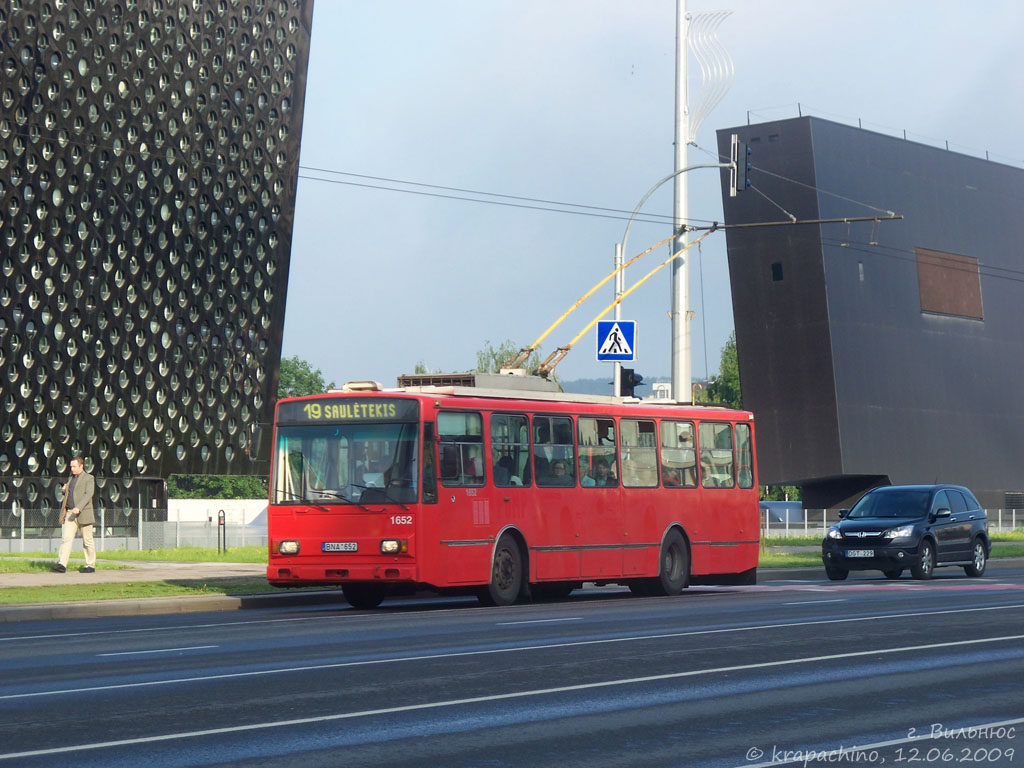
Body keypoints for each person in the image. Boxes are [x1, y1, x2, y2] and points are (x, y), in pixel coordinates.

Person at [52, 455, 97, 573]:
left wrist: (79, 507)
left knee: (87, 540)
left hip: (83, 513)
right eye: (71, 466)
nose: (72, 469)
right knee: (66, 538)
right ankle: (62, 564)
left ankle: (90, 565)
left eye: (74, 466)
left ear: (81, 466)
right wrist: (64, 490)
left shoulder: (89, 478)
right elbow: (70, 493)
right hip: (70, 513)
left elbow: (88, 494)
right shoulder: (71, 478)